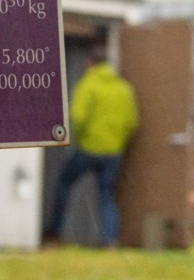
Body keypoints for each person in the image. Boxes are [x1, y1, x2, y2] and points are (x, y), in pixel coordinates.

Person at [45, 44, 139, 247]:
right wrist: (117, 141)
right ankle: (110, 240)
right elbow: (132, 122)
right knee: (106, 195)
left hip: (88, 149)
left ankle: (55, 232)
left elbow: (78, 117)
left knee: (64, 184)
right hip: (113, 152)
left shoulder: (88, 84)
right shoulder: (124, 88)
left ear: (90, 64)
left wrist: (80, 137)